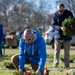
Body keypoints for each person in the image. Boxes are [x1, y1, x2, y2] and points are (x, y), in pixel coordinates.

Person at [51, 2, 74, 68]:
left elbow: (73, 22)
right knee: (56, 52)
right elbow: (53, 25)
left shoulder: (69, 13)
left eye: (61, 11)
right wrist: (60, 28)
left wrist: (69, 27)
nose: (60, 12)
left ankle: (67, 65)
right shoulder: (55, 14)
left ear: (64, 8)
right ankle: (55, 64)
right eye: (58, 11)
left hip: (67, 37)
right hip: (58, 37)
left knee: (67, 52)